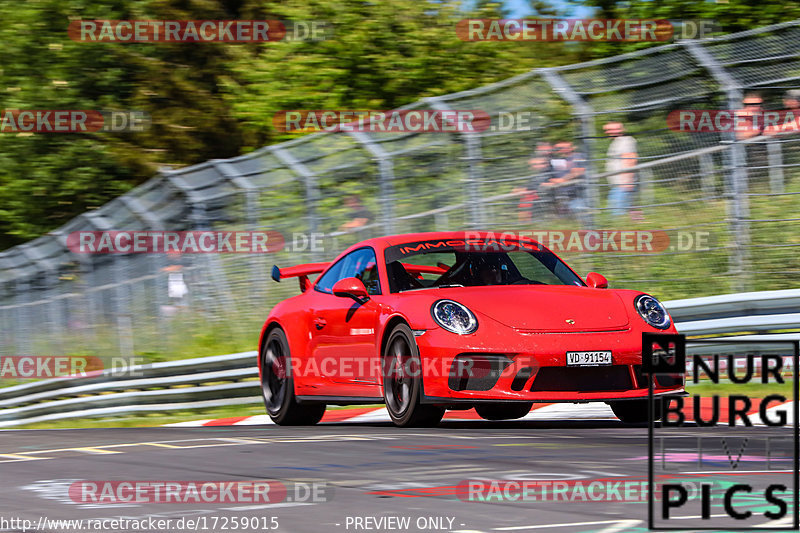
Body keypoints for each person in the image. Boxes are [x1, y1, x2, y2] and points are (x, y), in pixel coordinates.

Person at [540, 141, 586, 220]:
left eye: (565, 147)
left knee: (580, 215)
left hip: (577, 193)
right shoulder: (555, 160)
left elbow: (579, 171)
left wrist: (562, 180)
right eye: (559, 148)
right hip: (560, 195)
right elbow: (550, 175)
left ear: (571, 148)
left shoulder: (578, 156)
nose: (562, 149)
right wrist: (552, 181)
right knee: (563, 219)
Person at [603, 122, 638, 217]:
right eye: (607, 130)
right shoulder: (617, 142)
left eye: (613, 129)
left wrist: (627, 181)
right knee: (628, 213)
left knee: (616, 215)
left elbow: (630, 160)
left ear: (622, 130)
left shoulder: (625, 141)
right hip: (618, 184)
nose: (609, 132)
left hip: (622, 184)